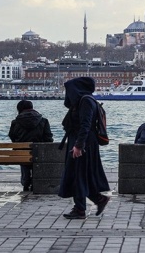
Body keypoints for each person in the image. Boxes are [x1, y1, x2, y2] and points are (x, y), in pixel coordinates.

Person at [58, 77, 110, 219]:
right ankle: (97, 199)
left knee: (78, 174)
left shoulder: (85, 101)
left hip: (84, 142)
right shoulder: (86, 100)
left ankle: (81, 209)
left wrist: (78, 146)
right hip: (82, 141)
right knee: (80, 174)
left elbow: (85, 125)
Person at [8, 100, 54, 191]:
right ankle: (35, 181)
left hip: (22, 154)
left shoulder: (15, 122)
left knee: (23, 154)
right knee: (37, 153)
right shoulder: (44, 121)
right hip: (40, 154)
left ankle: (26, 181)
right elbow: (48, 138)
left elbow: (12, 136)